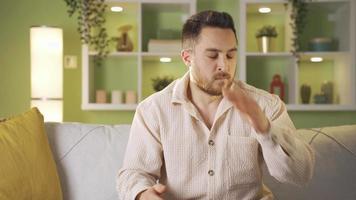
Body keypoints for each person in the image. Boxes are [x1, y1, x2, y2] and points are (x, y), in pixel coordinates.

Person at [117, 10, 315, 200]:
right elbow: (134, 173)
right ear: (187, 58)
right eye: (213, 56)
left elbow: (301, 174)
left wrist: (264, 127)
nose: (224, 65)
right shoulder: (153, 110)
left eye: (230, 55)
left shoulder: (266, 105)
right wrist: (142, 194)